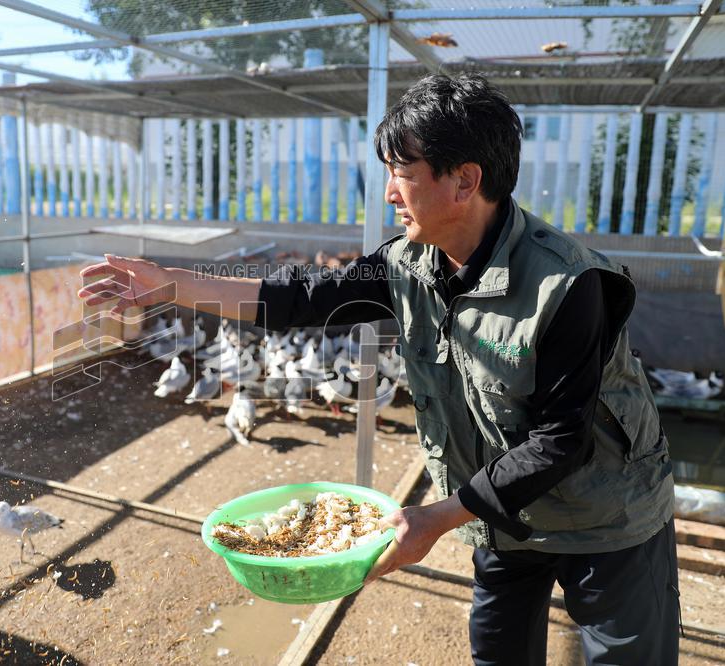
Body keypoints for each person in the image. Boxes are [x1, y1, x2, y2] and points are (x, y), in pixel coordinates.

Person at [77, 74, 678, 665]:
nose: (390, 192)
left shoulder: (568, 285)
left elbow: (558, 443)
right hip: (502, 510)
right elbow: (301, 298)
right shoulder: (409, 264)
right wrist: (171, 284)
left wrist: (435, 519)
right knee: (498, 652)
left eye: (404, 174)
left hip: (608, 517)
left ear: (466, 181)